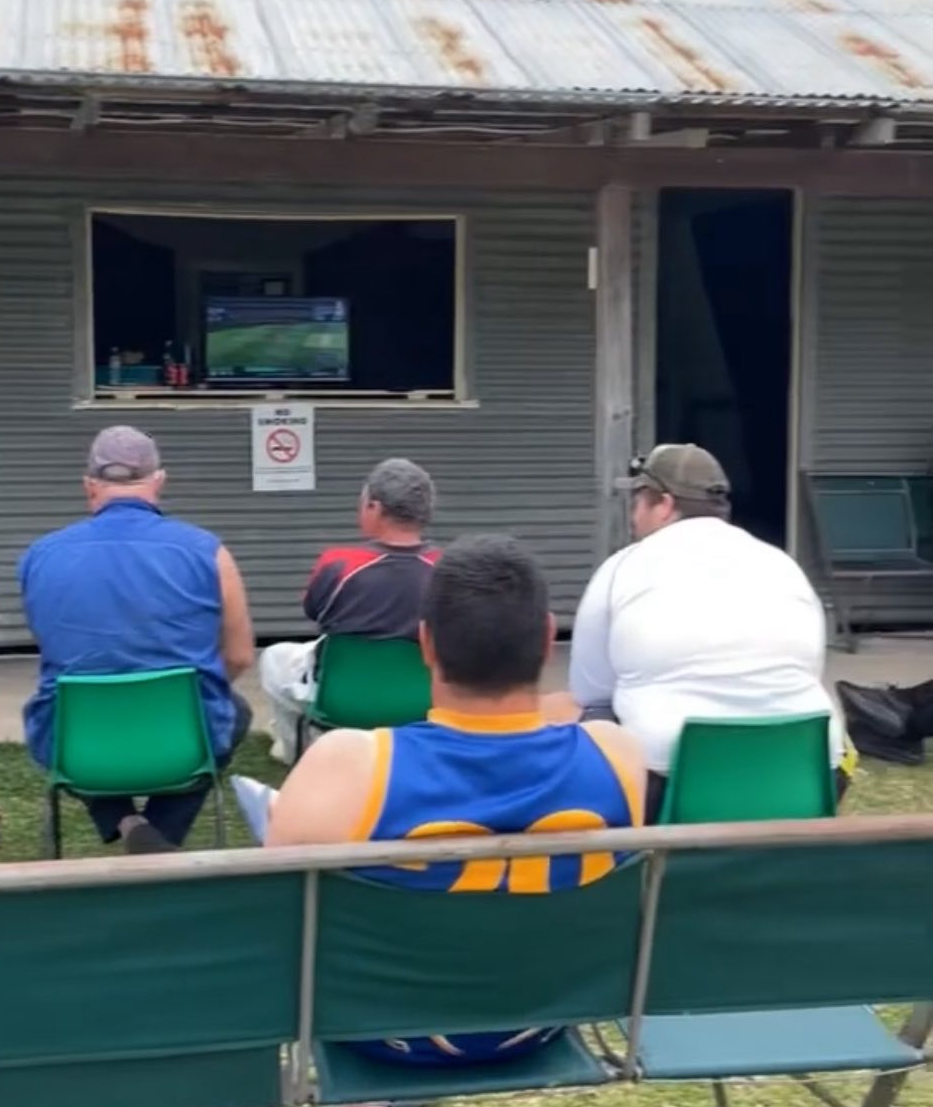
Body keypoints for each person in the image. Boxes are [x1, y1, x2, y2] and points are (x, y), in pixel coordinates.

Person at [262, 533, 644, 1068]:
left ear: (425, 643)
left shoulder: (349, 765)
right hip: (538, 1023)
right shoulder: (616, 756)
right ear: (544, 639)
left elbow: (273, 909)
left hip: (381, 1031)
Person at [568, 443, 852, 817]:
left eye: (637, 502)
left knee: (592, 719)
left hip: (670, 785)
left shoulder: (623, 568)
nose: (634, 517)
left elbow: (590, 693)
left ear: (665, 505)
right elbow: (808, 671)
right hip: (807, 774)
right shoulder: (783, 566)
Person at [19, 425, 256, 854]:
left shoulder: (40, 556)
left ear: (89, 486)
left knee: (58, 708)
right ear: (159, 481)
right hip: (180, 740)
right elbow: (239, 656)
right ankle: (158, 832)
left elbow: (54, 647)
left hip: (78, 745)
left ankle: (129, 825)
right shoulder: (208, 551)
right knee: (231, 712)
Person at [259, 457, 439, 763]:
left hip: (340, 701)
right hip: (423, 703)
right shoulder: (450, 570)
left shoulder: (337, 563)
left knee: (274, 657)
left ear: (374, 507)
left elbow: (315, 612)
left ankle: (295, 753)